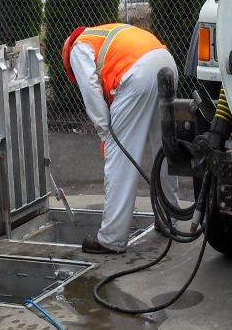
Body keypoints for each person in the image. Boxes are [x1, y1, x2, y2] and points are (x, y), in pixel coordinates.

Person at [62, 22, 180, 254]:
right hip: (166, 62)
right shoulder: (104, 34)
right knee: (164, 148)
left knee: (120, 157)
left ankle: (112, 239)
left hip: (137, 74)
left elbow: (91, 92)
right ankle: (170, 220)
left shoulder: (77, 48)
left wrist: (106, 134)